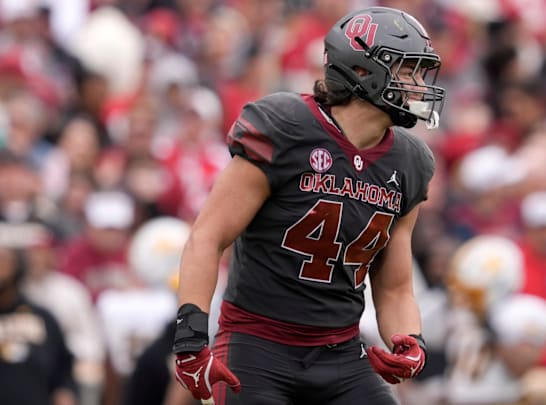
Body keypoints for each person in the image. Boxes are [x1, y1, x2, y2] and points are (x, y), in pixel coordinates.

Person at [172, 6, 446, 405]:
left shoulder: (409, 162)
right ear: (362, 70)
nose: (419, 85)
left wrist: (410, 341)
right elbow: (207, 237)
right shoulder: (285, 127)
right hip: (258, 346)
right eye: (408, 71)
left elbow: (394, 285)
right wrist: (191, 339)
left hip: (341, 352)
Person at [0, 242, 77, 405]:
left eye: (3, 260)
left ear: (17, 266)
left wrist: (65, 391)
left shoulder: (42, 317)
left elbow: (63, 365)